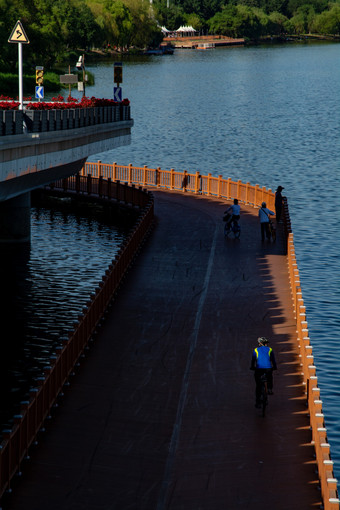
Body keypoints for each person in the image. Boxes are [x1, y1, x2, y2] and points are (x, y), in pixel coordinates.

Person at [250, 337, 277, 408]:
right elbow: (273, 360)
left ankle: (258, 402)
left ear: (259, 343)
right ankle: (269, 389)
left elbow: (253, 360)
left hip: (259, 369)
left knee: (258, 385)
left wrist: (252, 367)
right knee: (270, 377)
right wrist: (274, 367)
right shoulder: (270, 349)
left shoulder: (256, 350)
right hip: (268, 368)